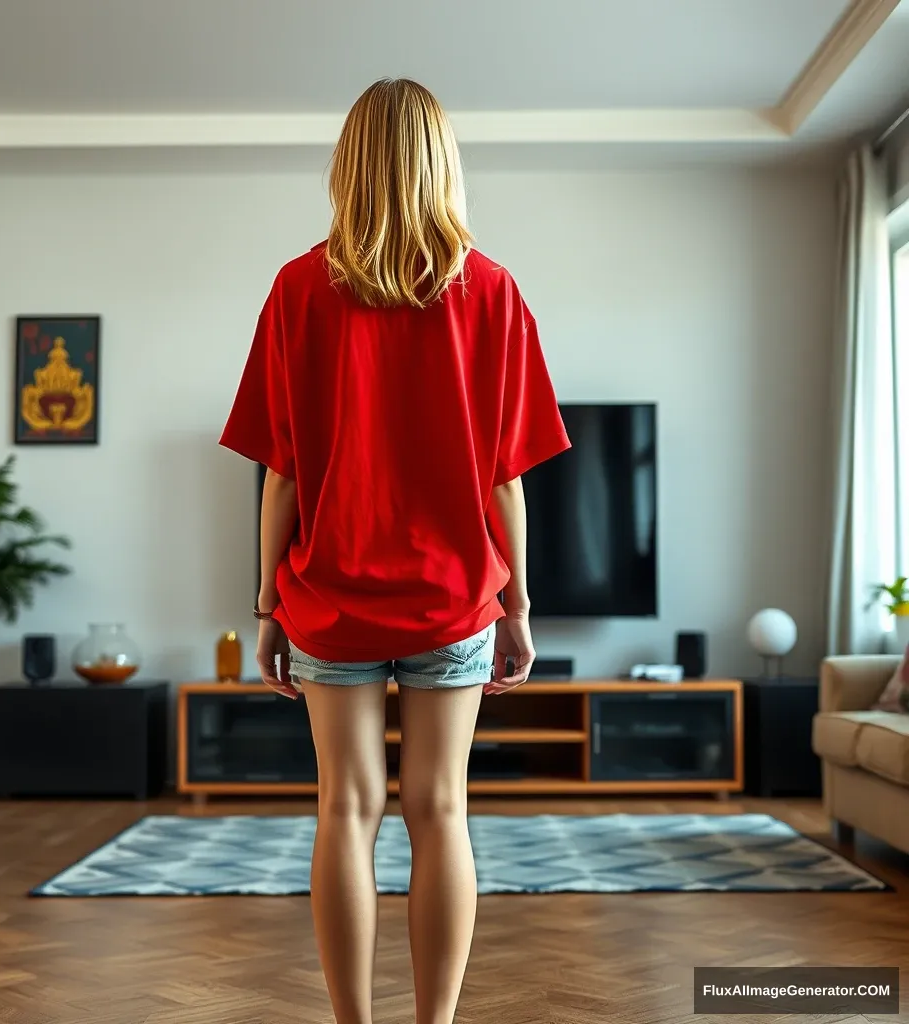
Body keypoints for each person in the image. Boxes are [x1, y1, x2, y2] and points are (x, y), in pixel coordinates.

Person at [220, 78, 569, 1024]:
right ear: (442, 165)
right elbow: (506, 478)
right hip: (454, 598)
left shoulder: (298, 288)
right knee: (441, 811)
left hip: (330, 598)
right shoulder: (491, 289)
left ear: (350, 166)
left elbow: (282, 475)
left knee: (345, 809)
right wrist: (520, 609)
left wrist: (266, 610)